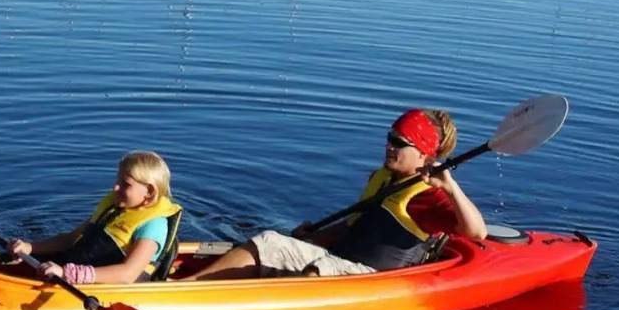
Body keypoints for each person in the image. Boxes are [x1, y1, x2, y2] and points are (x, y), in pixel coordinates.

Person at [185, 109, 488, 281]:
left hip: (373, 278)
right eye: (389, 138)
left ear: (423, 156)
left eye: (399, 142)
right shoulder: (380, 178)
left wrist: (451, 187)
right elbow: (348, 228)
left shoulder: (429, 197)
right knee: (268, 241)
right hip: (342, 261)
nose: (389, 146)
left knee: (318, 271)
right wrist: (309, 238)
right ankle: (187, 288)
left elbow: (477, 231)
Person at [7, 151, 182, 285]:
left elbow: (128, 274)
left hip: (107, 291)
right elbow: (70, 240)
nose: (115, 187)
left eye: (125, 184)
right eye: (117, 180)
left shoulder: (154, 225)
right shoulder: (114, 208)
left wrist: (67, 273)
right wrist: (30, 247)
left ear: (149, 191)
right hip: (72, 274)